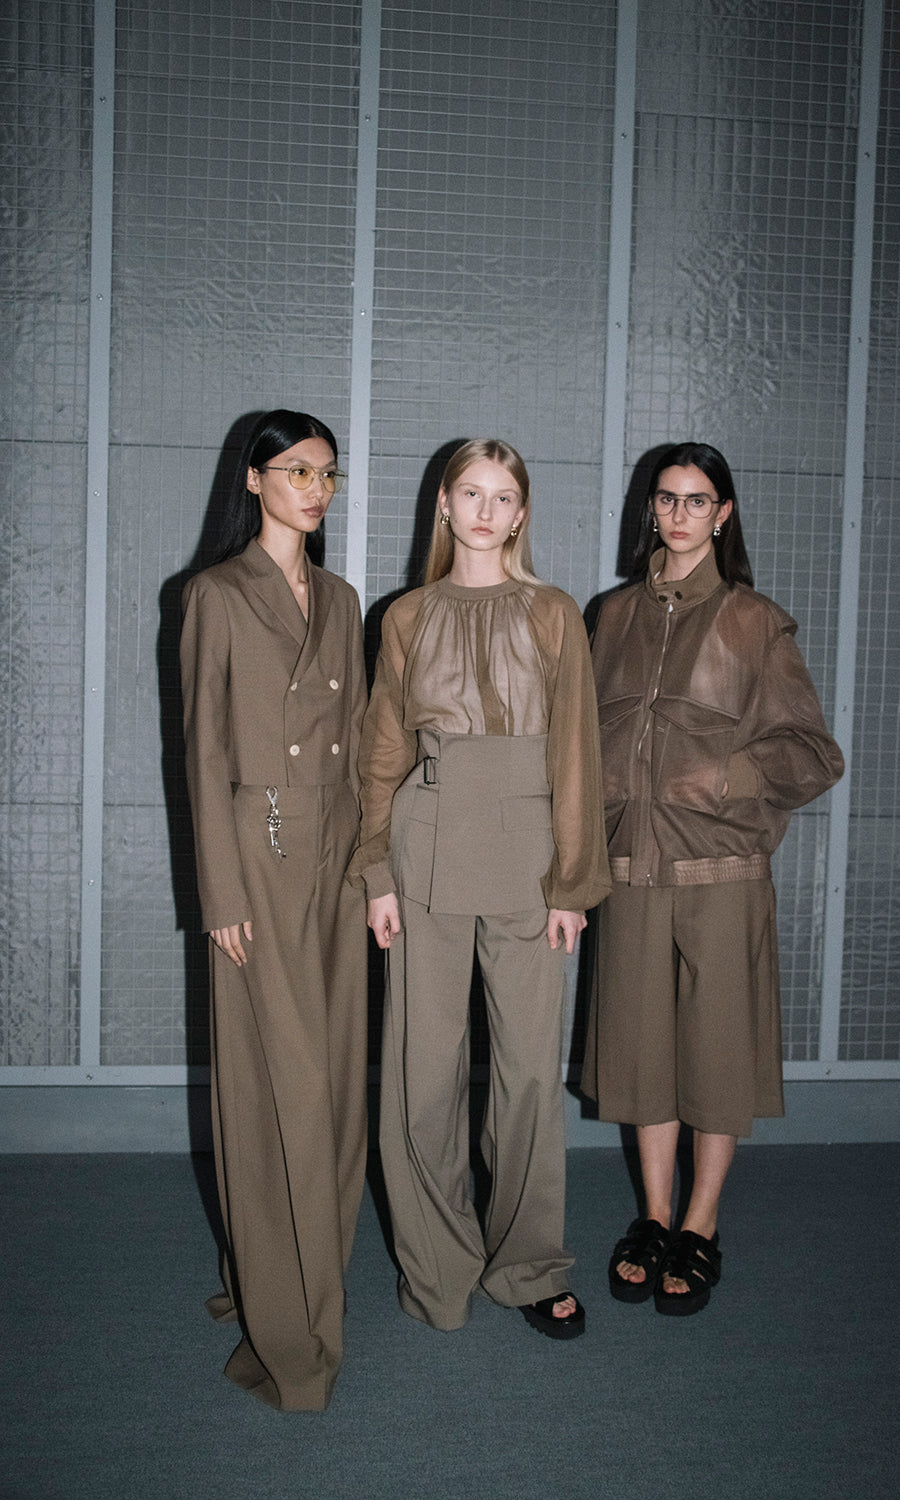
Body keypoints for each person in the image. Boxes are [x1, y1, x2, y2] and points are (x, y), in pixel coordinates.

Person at [349, 438, 610, 1340]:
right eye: (471, 493)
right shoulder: (405, 616)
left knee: (529, 1074)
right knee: (422, 1074)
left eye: (503, 496)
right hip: (423, 850)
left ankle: (530, 1265)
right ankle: (437, 1264)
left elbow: (576, 754)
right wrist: (375, 872)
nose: (486, 511)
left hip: (529, 859)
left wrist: (573, 884)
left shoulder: (554, 612)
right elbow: (382, 750)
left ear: (522, 512)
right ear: (444, 504)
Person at [582, 442, 843, 1316]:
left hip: (722, 871)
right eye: (667, 499)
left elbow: (813, 754)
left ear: (723, 514)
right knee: (641, 1053)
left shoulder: (754, 622)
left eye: (698, 500)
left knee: (717, 1056)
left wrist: (727, 774)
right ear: (650, 510)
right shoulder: (610, 617)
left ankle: (701, 1222)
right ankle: (653, 1215)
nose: (680, 514)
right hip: (632, 871)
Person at [179, 409, 368, 1409]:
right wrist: (219, 892)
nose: (315, 489)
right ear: (253, 480)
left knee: (331, 1077)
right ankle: (292, 1328)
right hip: (258, 854)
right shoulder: (214, 594)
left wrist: (374, 870)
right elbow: (203, 751)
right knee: (274, 1082)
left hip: (334, 856)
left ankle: (302, 1263)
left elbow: (362, 740)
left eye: (327, 474)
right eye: (296, 471)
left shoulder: (340, 598)